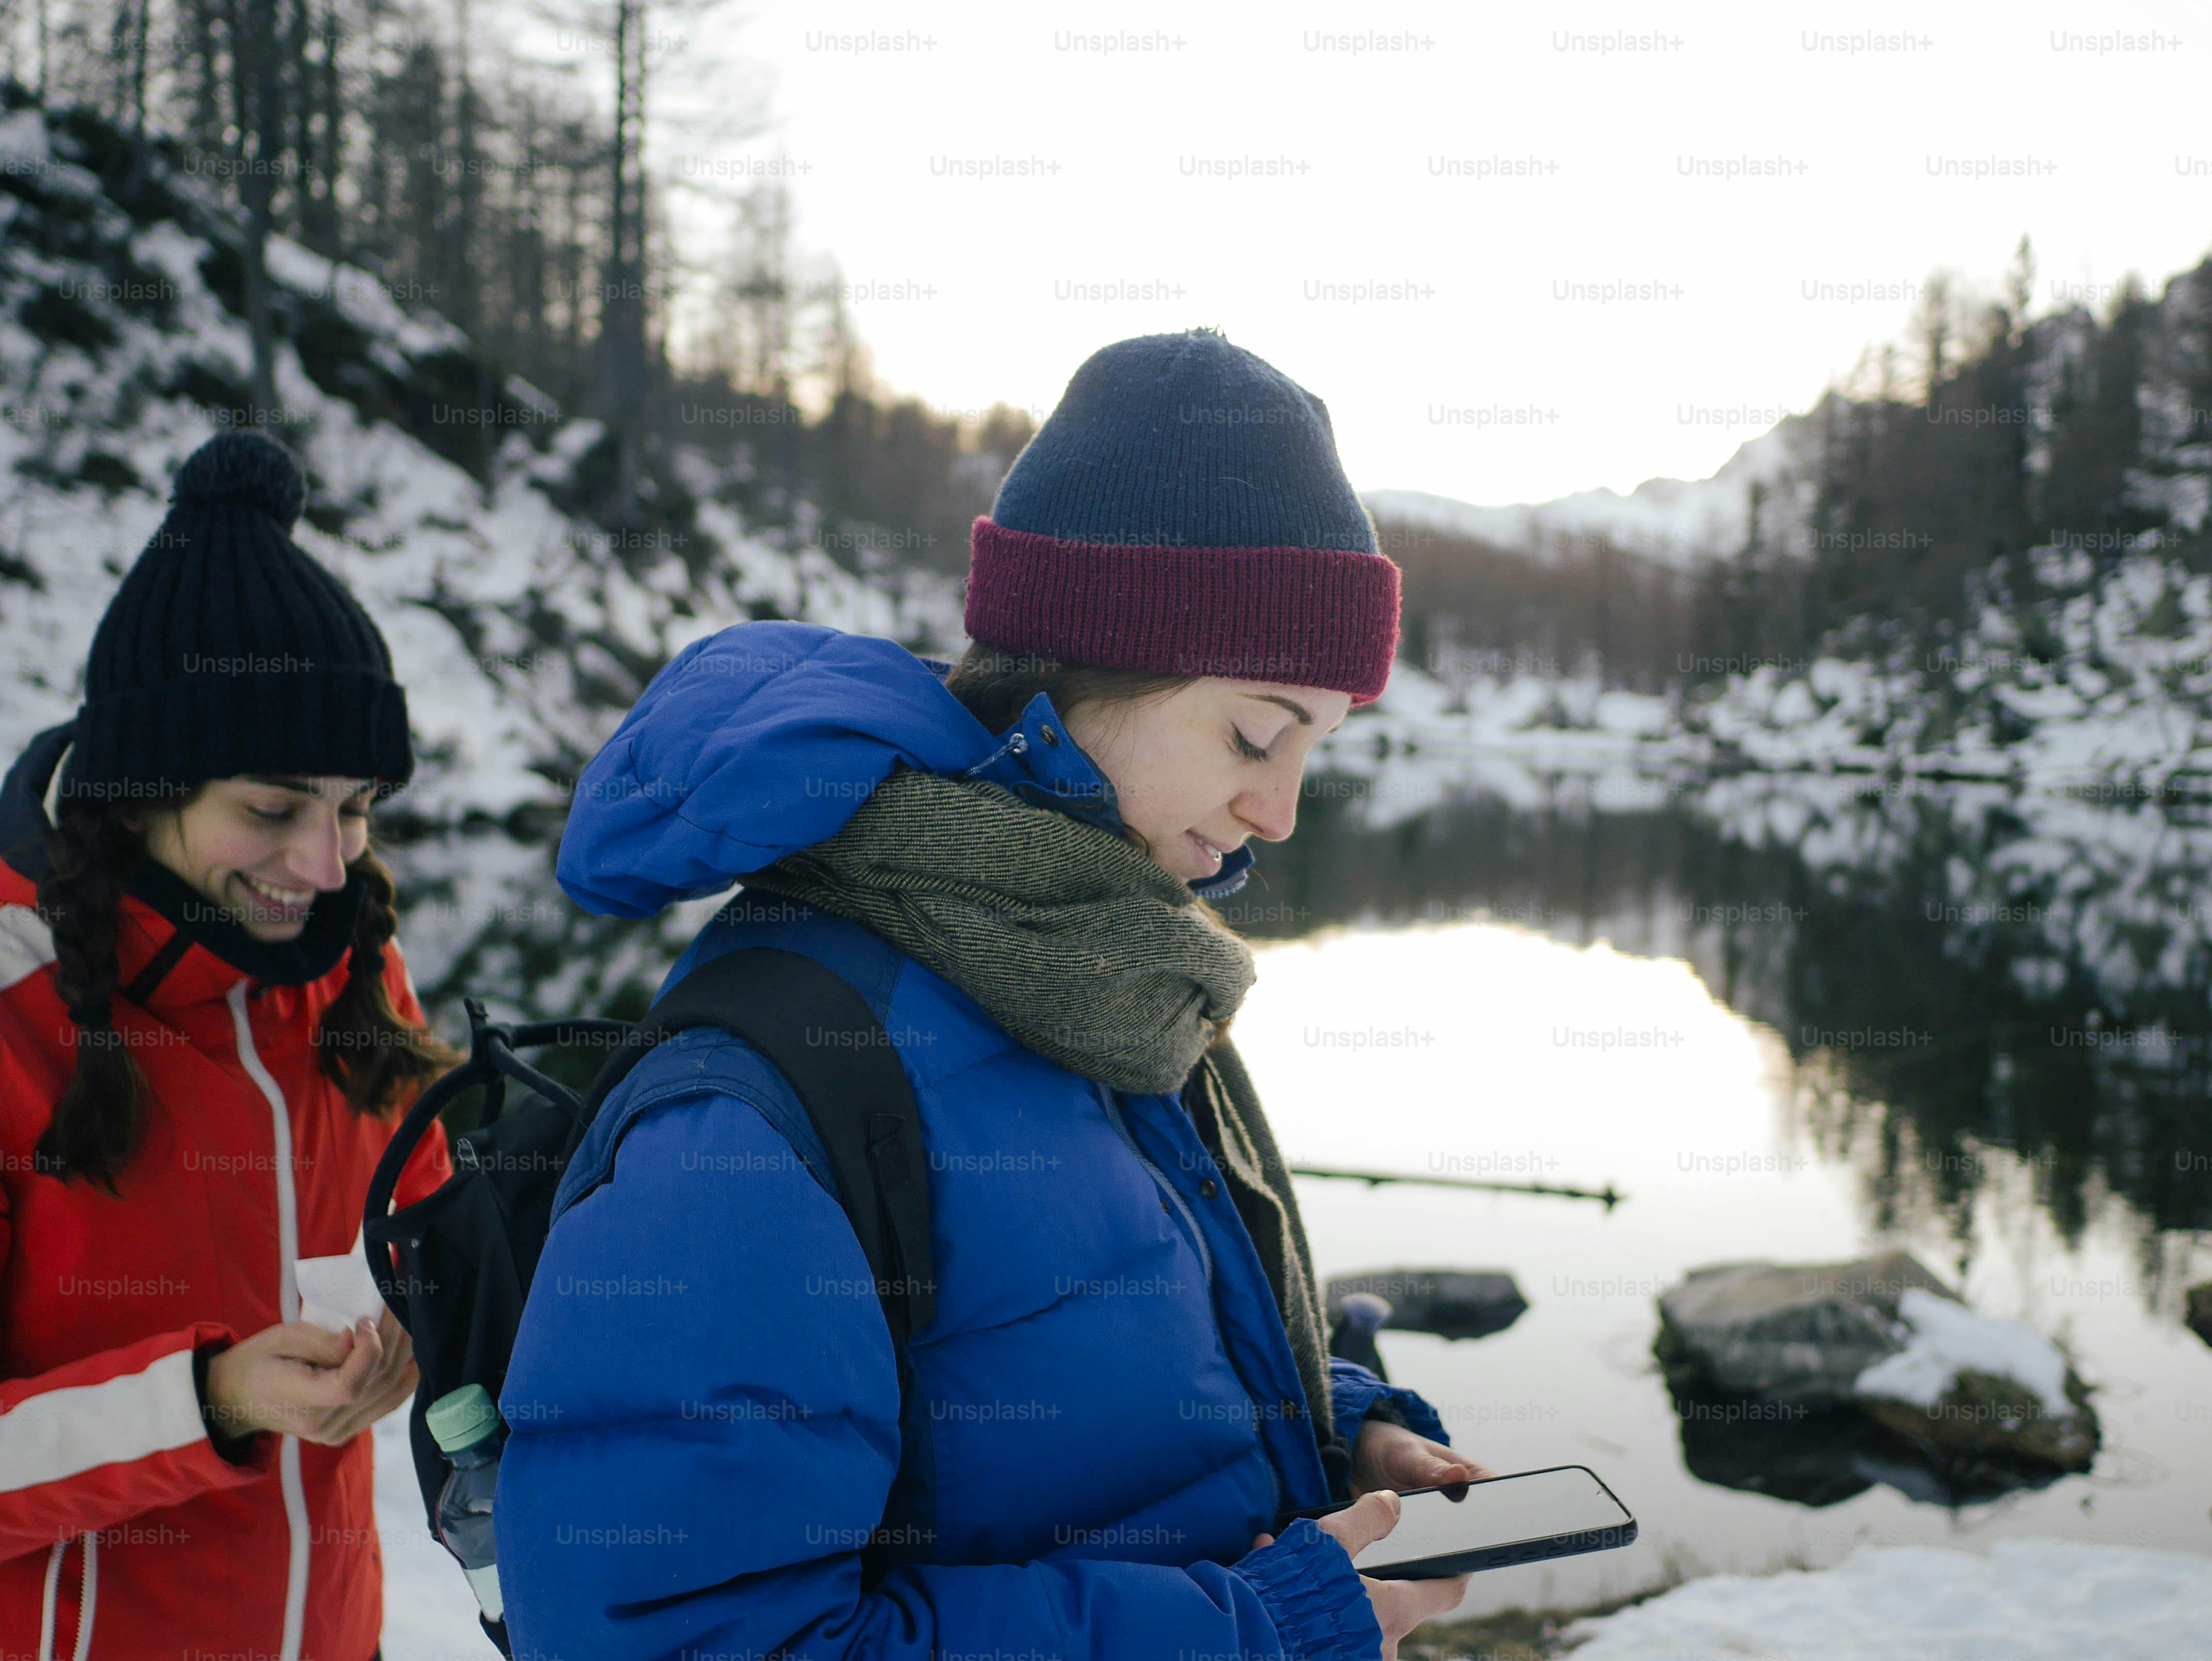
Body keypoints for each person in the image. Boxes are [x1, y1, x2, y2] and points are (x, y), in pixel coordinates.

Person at [497, 329, 1490, 1661]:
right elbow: (692, 1640)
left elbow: (1110, 1313)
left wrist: (1330, 1419)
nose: (1280, 809)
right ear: (1091, 664)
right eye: (1258, 733)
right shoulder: (762, 1106)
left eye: (1316, 744)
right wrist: (1250, 1633)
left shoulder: (1112, 967)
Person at [0, 432, 455, 1661]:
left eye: (355, 809)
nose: (325, 867)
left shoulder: (358, 971)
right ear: (143, 788)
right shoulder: (10, 1008)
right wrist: (210, 1401)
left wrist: (434, 1323)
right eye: (271, 807)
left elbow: (439, 1240)